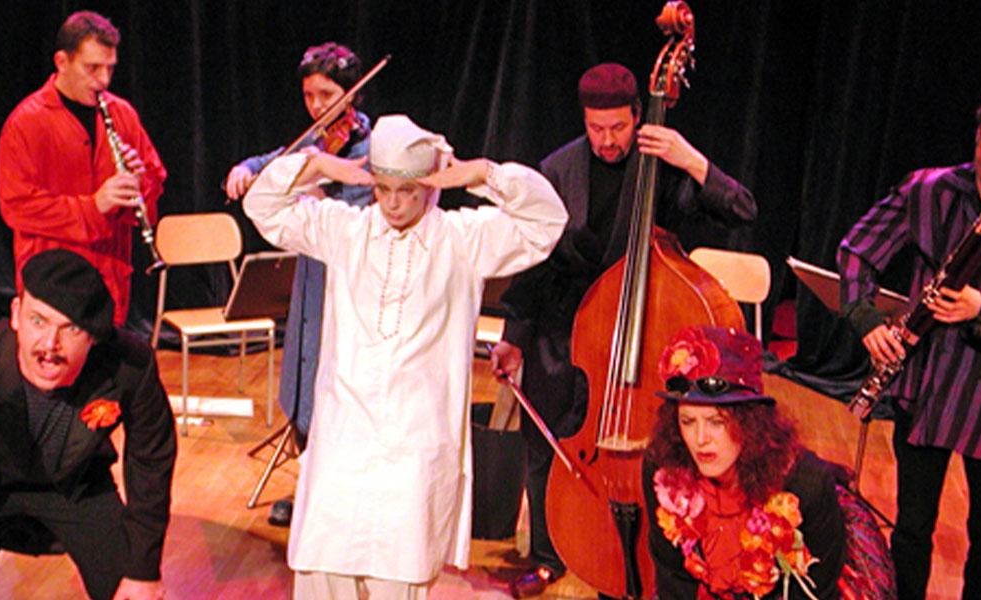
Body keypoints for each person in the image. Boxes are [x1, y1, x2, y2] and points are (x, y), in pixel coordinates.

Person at [244, 114, 568, 599]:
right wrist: (320, 165)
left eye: (407, 191)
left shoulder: (462, 238)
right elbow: (262, 204)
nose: (393, 203)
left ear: (430, 188)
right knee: (324, 563)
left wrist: (481, 173)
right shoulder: (344, 230)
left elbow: (546, 222)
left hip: (416, 445)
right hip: (342, 439)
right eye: (383, 189)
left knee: (402, 567)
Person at [489, 62, 757, 598]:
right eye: (596, 129)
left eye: (618, 127)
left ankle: (645, 556)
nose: (608, 140)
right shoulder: (558, 169)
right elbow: (535, 260)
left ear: (638, 116)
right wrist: (514, 336)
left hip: (640, 328)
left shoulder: (661, 163)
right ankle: (549, 555)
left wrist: (692, 160)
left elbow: (741, 210)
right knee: (547, 443)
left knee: (648, 455)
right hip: (566, 328)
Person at [836, 84, 981, 600]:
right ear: (977, 135)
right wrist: (867, 320)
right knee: (912, 527)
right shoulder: (928, 191)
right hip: (928, 385)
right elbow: (856, 252)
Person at [0, 249, 177, 600]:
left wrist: (142, 571)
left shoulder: (130, 366)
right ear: (15, 315)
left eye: (70, 328)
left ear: (94, 336)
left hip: (78, 487)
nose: (49, 345)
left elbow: (151, 461)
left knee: (130, 592)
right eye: (37, 321)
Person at [223, 42, 374, 527]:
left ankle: (341, 494)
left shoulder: (374, 148)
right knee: (306, 374)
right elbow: (273, 159)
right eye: (309, 95)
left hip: (350, 283)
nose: (316, 106)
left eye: (326, 95)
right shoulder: (315, 141)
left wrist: (320, 186)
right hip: (311, 279)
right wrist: (247, 169)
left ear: (351, 93)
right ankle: (308, 484)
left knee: (341, 381)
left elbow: (369, 218)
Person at [643, 325, 846, 600]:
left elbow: (816, 590)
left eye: (717, 422)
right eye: (687, 421)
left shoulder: (807, 484)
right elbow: (671, 577)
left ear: (750, 423)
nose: (701, 439)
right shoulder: (663, 469)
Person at [0, 10, 166, 328]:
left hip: (109, 281)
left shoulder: (122, 114)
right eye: (92, 68)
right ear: (62, 62)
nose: (104, 80)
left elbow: (153, 185)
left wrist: (140, 183)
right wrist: (93, 207)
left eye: (110, 68)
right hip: (51, 282)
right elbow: (17, 207)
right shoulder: (26, 122)